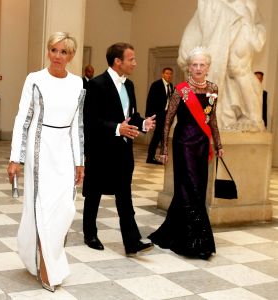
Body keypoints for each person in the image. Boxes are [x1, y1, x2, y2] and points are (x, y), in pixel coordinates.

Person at [7, 32, 85, 292]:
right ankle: (46, 270)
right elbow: (22, 118)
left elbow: (77, 125)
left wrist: (79, 161)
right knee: (41, 208)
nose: (58, 56)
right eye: (54, 50)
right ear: (48, 51)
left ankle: (43, 257)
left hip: (64, 151)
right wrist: (15, 157)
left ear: (71, 56)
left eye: (64, 52)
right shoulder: (35, 79)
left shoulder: (77, 83)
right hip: (38, 150)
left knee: (64, 209)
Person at [148, 46, 224, 260]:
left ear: (208, 67)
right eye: (194, 64)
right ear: (189, 67)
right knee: (188, 186)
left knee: (198, 188)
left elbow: (213, 119)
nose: (198, 68)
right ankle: (193, 241)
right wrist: (163, 148)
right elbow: (167, 121)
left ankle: (180, 232)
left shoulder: (213, 89)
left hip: (202, 144)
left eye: (202, 64)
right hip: (183, 144)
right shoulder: (181, 90)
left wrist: (218, 143)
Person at [83, 42, 156, 257]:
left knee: (125, 196)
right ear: (118, 61)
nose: (135, 63)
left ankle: (132, 242)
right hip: (101, 150)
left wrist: (142, 124)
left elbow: (131, 115)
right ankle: (90, 234)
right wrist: (117, 128)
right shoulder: (96, 85)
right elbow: (90, 120)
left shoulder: (130, 85)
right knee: (94, 193)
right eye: (131, 59)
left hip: (123, 152)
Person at [178, 0, 266, 132]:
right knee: (231, 70)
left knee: (238, 68)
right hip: (229, 21)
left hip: (241, 21)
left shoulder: (244, 6)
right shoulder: (209, 5)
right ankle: (233, 116)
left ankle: (254, 118)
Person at [145, 67, 174, 164]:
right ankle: (150, 157)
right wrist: (149, 116)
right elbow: (150, 100)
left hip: (166, 115)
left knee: (163, 136)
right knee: (157, 136)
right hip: (158, 115)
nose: (168, 75)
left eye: (170, 74)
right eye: (166, 73)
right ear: (162, 74)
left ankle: (161, 156)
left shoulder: (171, 86)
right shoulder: (156, 85)